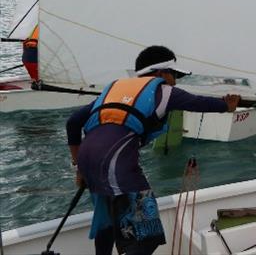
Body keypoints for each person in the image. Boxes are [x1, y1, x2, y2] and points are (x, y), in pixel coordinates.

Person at [66, 45, 241, 255]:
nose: (175, 82)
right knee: (148, 237)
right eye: (174, 75)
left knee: (108, 222)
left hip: (88, 158)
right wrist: (227, 106)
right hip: (116, 162)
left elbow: (73, 122)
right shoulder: (164, 91)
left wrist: (79, 167)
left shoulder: (115, 88)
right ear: (160, 73)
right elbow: (198, 102)